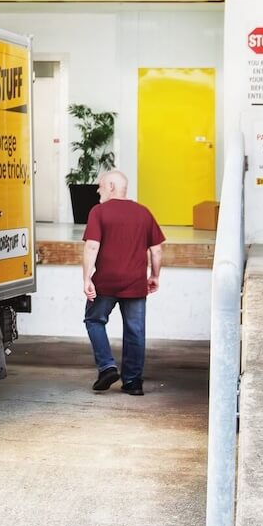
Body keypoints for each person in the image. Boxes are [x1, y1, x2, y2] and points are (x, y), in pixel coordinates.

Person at [82, 170, 165, 396]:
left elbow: (91, 246)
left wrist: (87, 277)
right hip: (135, 283)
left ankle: (107, 367)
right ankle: (133, 382)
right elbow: (156, 250)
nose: (97, 190)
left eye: (99, 186)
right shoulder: (143, 213)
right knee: (135, 331)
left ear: (110, 186)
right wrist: (155, 275)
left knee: (94, 320)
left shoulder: (98, 212)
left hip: (105, 282)